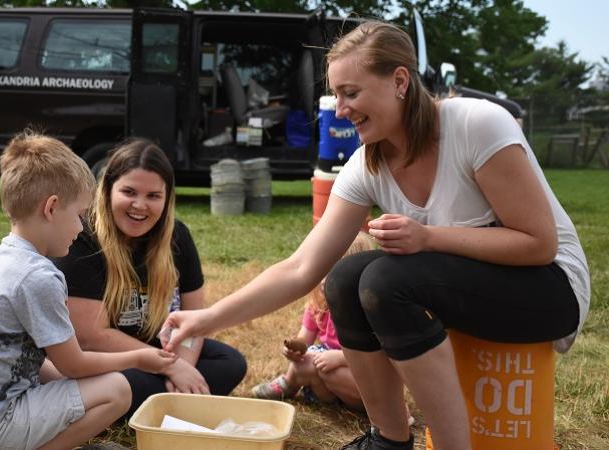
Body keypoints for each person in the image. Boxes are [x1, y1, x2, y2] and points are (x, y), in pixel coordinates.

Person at [162, 21, 589, 450]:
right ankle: (389, 440)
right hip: (473, 286)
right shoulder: (366, 164)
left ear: (399, 81)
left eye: (351, 93)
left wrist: (428, 237)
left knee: (387, 281)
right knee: (347, 279)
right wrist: (205, 319)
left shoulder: (477, 126)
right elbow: (300, 269)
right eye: (336, 94)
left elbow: (538, 244)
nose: (340, 108)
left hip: (551, 289)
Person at [0, 132, 177, 450]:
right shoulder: (38, 276)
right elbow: (73, 365)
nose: (82, 228)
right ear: (51, 208)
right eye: (80, 215)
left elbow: (46, 366)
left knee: (74, 381)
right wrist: (138, 357)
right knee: (118, 389)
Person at [53, 138, 247, 417]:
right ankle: (169, 403)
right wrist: (169, 366)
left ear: (167, 198)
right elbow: (90, 337)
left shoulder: (177, 236)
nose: (140, 205)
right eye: (129, 192)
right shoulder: (83, 239)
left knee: (230, 362)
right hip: (99, 360)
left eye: (153, 196)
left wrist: (185, 367)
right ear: (107, 190)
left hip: (154, 347)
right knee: (118, 384)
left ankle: (161, 401)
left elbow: (194, 321)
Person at [251, 232, 375, 410]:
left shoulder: (368, 309)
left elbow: (378, 358)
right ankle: (289, 385)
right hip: (327, 377)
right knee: (307, 361)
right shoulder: (319, 304)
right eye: (322, 270)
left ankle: (289, 384)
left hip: (360, 379)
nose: (324, 280)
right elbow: (304, 339)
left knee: (324, 365)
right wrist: (293, 349)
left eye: (334, 272)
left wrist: (341, 358)